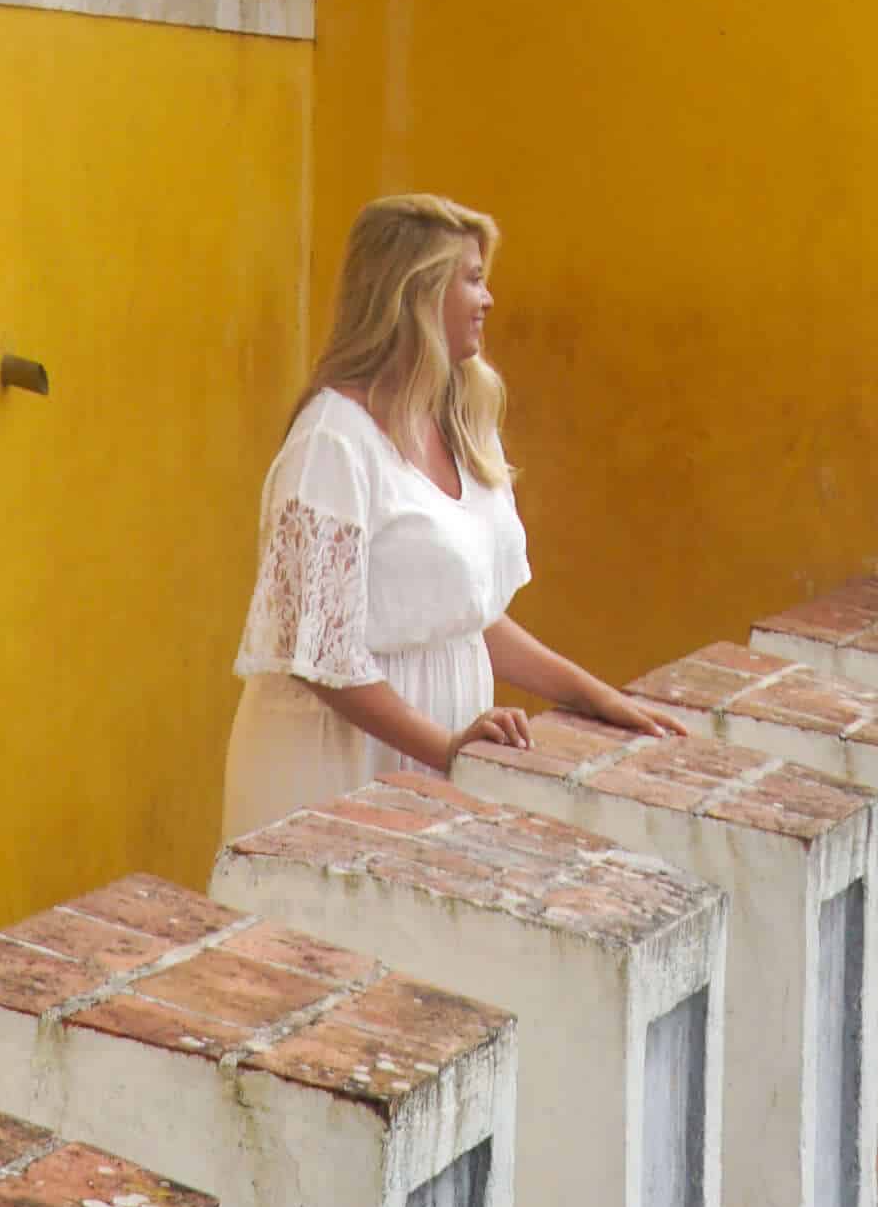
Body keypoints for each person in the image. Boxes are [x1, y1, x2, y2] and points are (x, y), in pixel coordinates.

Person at [220, 191, 679, 846]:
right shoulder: (333, 443)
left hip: (435, 757)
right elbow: (319, 655)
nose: (488, 299)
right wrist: (446, 747)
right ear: (416, 292)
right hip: (338, 767)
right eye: (472, 279)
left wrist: (590, 695)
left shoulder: (460, 419)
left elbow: (466, 616)